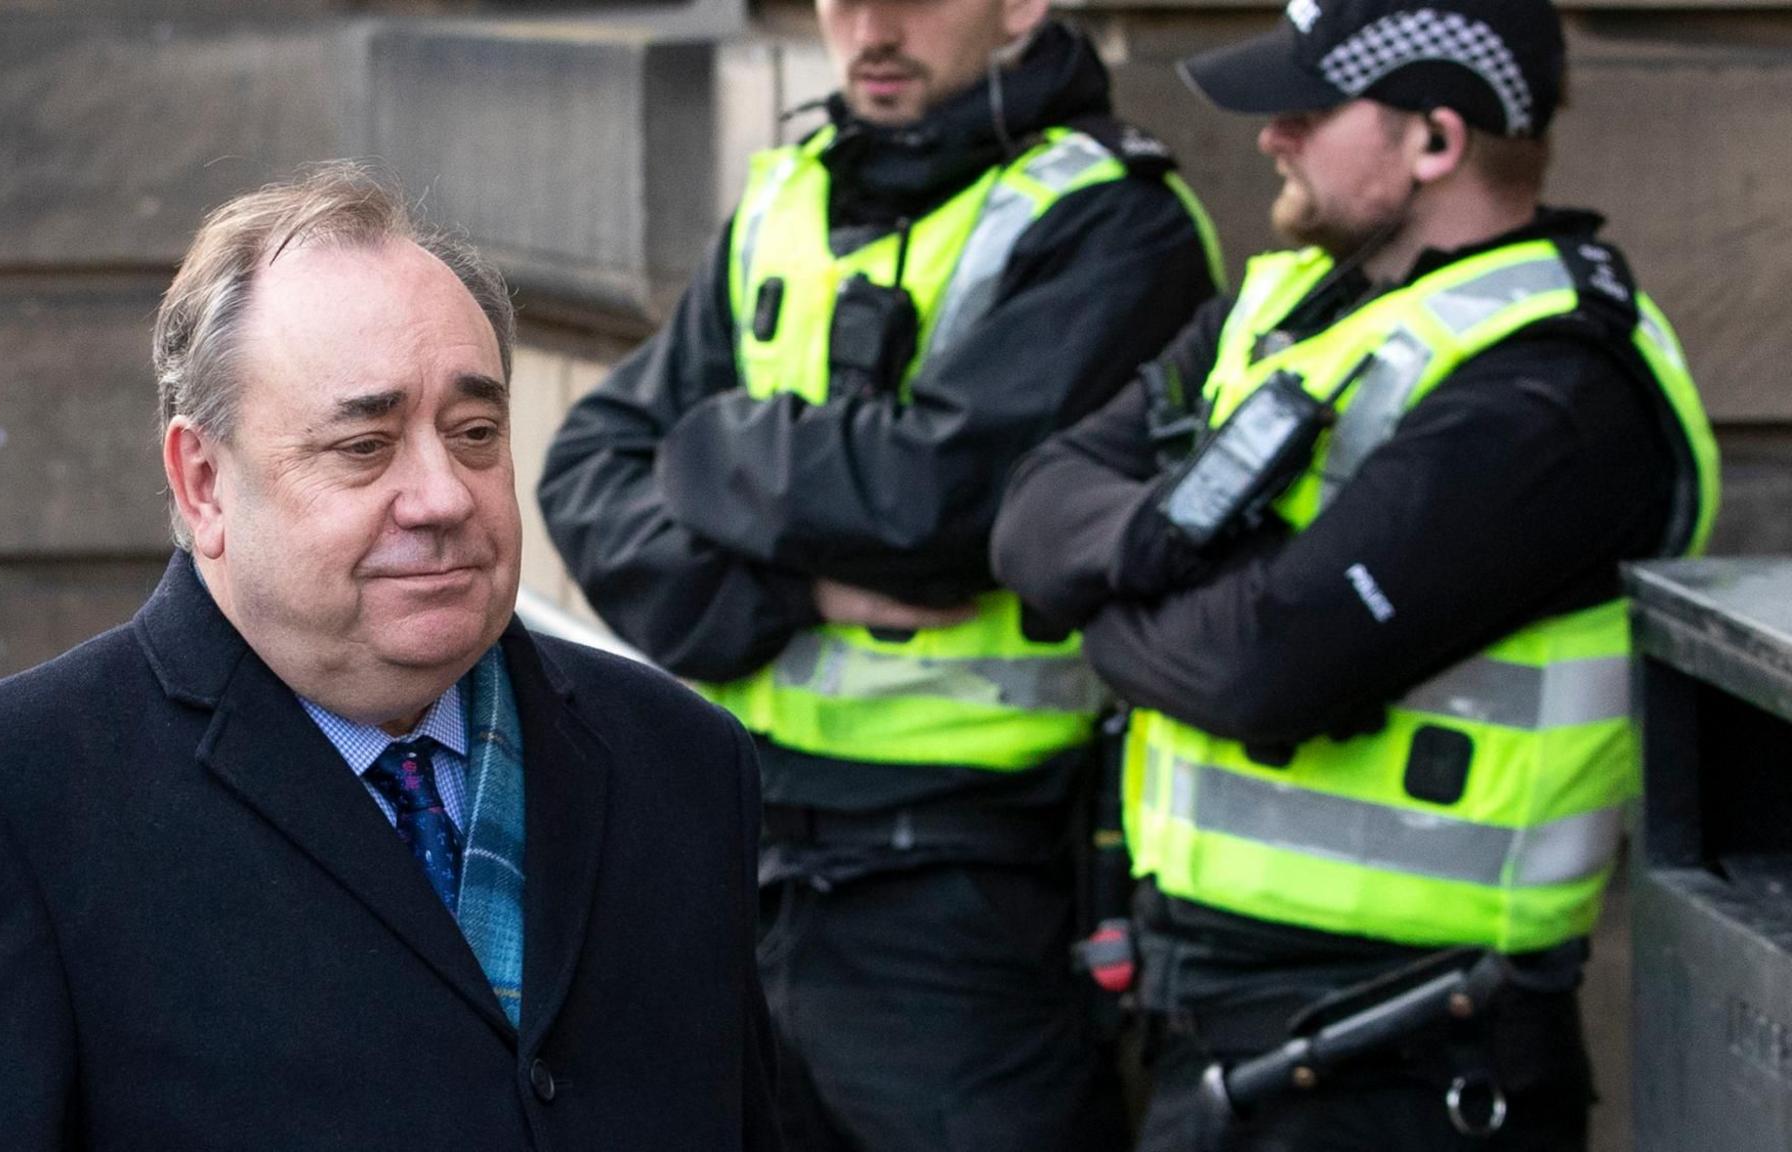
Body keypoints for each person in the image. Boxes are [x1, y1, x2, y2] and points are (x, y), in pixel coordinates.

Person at [0, 164, 775, 1152]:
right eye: (363, 446)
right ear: (204, 480)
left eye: (474, 434)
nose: (441, 496)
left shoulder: (683, 766)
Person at [991, 1, 1719, 1148]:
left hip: (1406, 1061)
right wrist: (1167, 542)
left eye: (1309, 108)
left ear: (1433, 141)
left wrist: (1102, 620)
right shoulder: (1277, 304)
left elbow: (1261, 667)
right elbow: (1029, 515)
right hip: (1215, 1029)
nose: (1272, 136)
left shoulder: (1553, 388)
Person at [538, 0, 1222, 1144]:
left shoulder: (1112, 220)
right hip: (742, 853)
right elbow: (585, 471)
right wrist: (787, 591)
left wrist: (712, 443)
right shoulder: (788, 196)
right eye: (843, 0)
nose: (869, 29)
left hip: (967, 884)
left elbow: (937, 508)